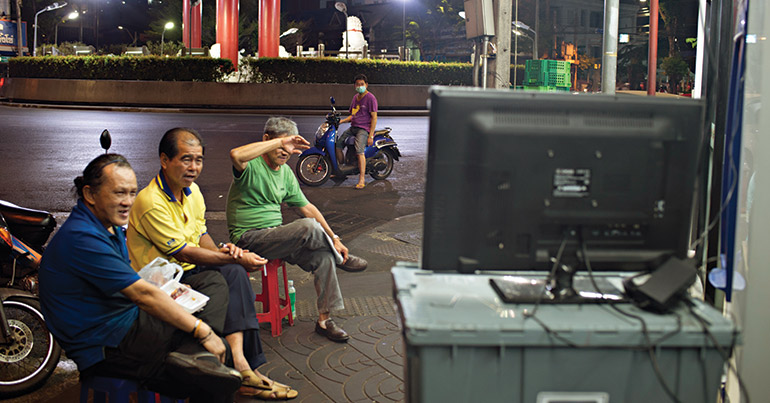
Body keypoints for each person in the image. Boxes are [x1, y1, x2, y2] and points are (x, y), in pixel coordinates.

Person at [39, 154, 241, 403]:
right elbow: (142, 295)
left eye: (132, 193)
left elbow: (126, 282)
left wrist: (164, 287)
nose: (128, 202)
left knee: (212, 282)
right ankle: (197, 357)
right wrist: (203, 332)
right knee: (216, 365)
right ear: (90, 194)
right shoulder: (82, 237)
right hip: (105, 345)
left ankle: (196, 356)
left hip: (125, 322)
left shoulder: (106, 226)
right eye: (119, 193)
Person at [126, 128, 297, 400]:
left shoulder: (192, 192)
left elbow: (201, 235)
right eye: (186, 159)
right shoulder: (151, 201)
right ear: (164, 160)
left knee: (233, 272)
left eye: (199, 160)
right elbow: (185, 253)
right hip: (161, 283)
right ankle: (233, 369)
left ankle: (242, 367)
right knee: (227, 274)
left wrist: (224, 250)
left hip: (188, 272)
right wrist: (232, 257)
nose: (193, 167)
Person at [227, 117, 368, 343]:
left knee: (323, 257)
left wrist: (335, 237)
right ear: (267, 141)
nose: (286, 151)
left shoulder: (285, 174)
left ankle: (324, 320)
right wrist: (280, 141)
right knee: (308, 228)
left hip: (278, 237)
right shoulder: (250, 164)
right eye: (281, 145)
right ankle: (341, 259)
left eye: (290, 147)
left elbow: (308, 208)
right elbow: (235, 155)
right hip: (249, 239)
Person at [336, 73, 378, 189]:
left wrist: (371, 136)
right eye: (357, 84)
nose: (360, 86)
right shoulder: (355, 98)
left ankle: (362, 179)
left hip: (364, 129)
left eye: (362, 84)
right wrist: (341, 121)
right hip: (353, 127)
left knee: (359, 151)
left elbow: (374, 117)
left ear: (366, 85)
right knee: (338, 144)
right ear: (354, 86)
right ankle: (342, 170)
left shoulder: (370, 98)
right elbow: (352, 115)